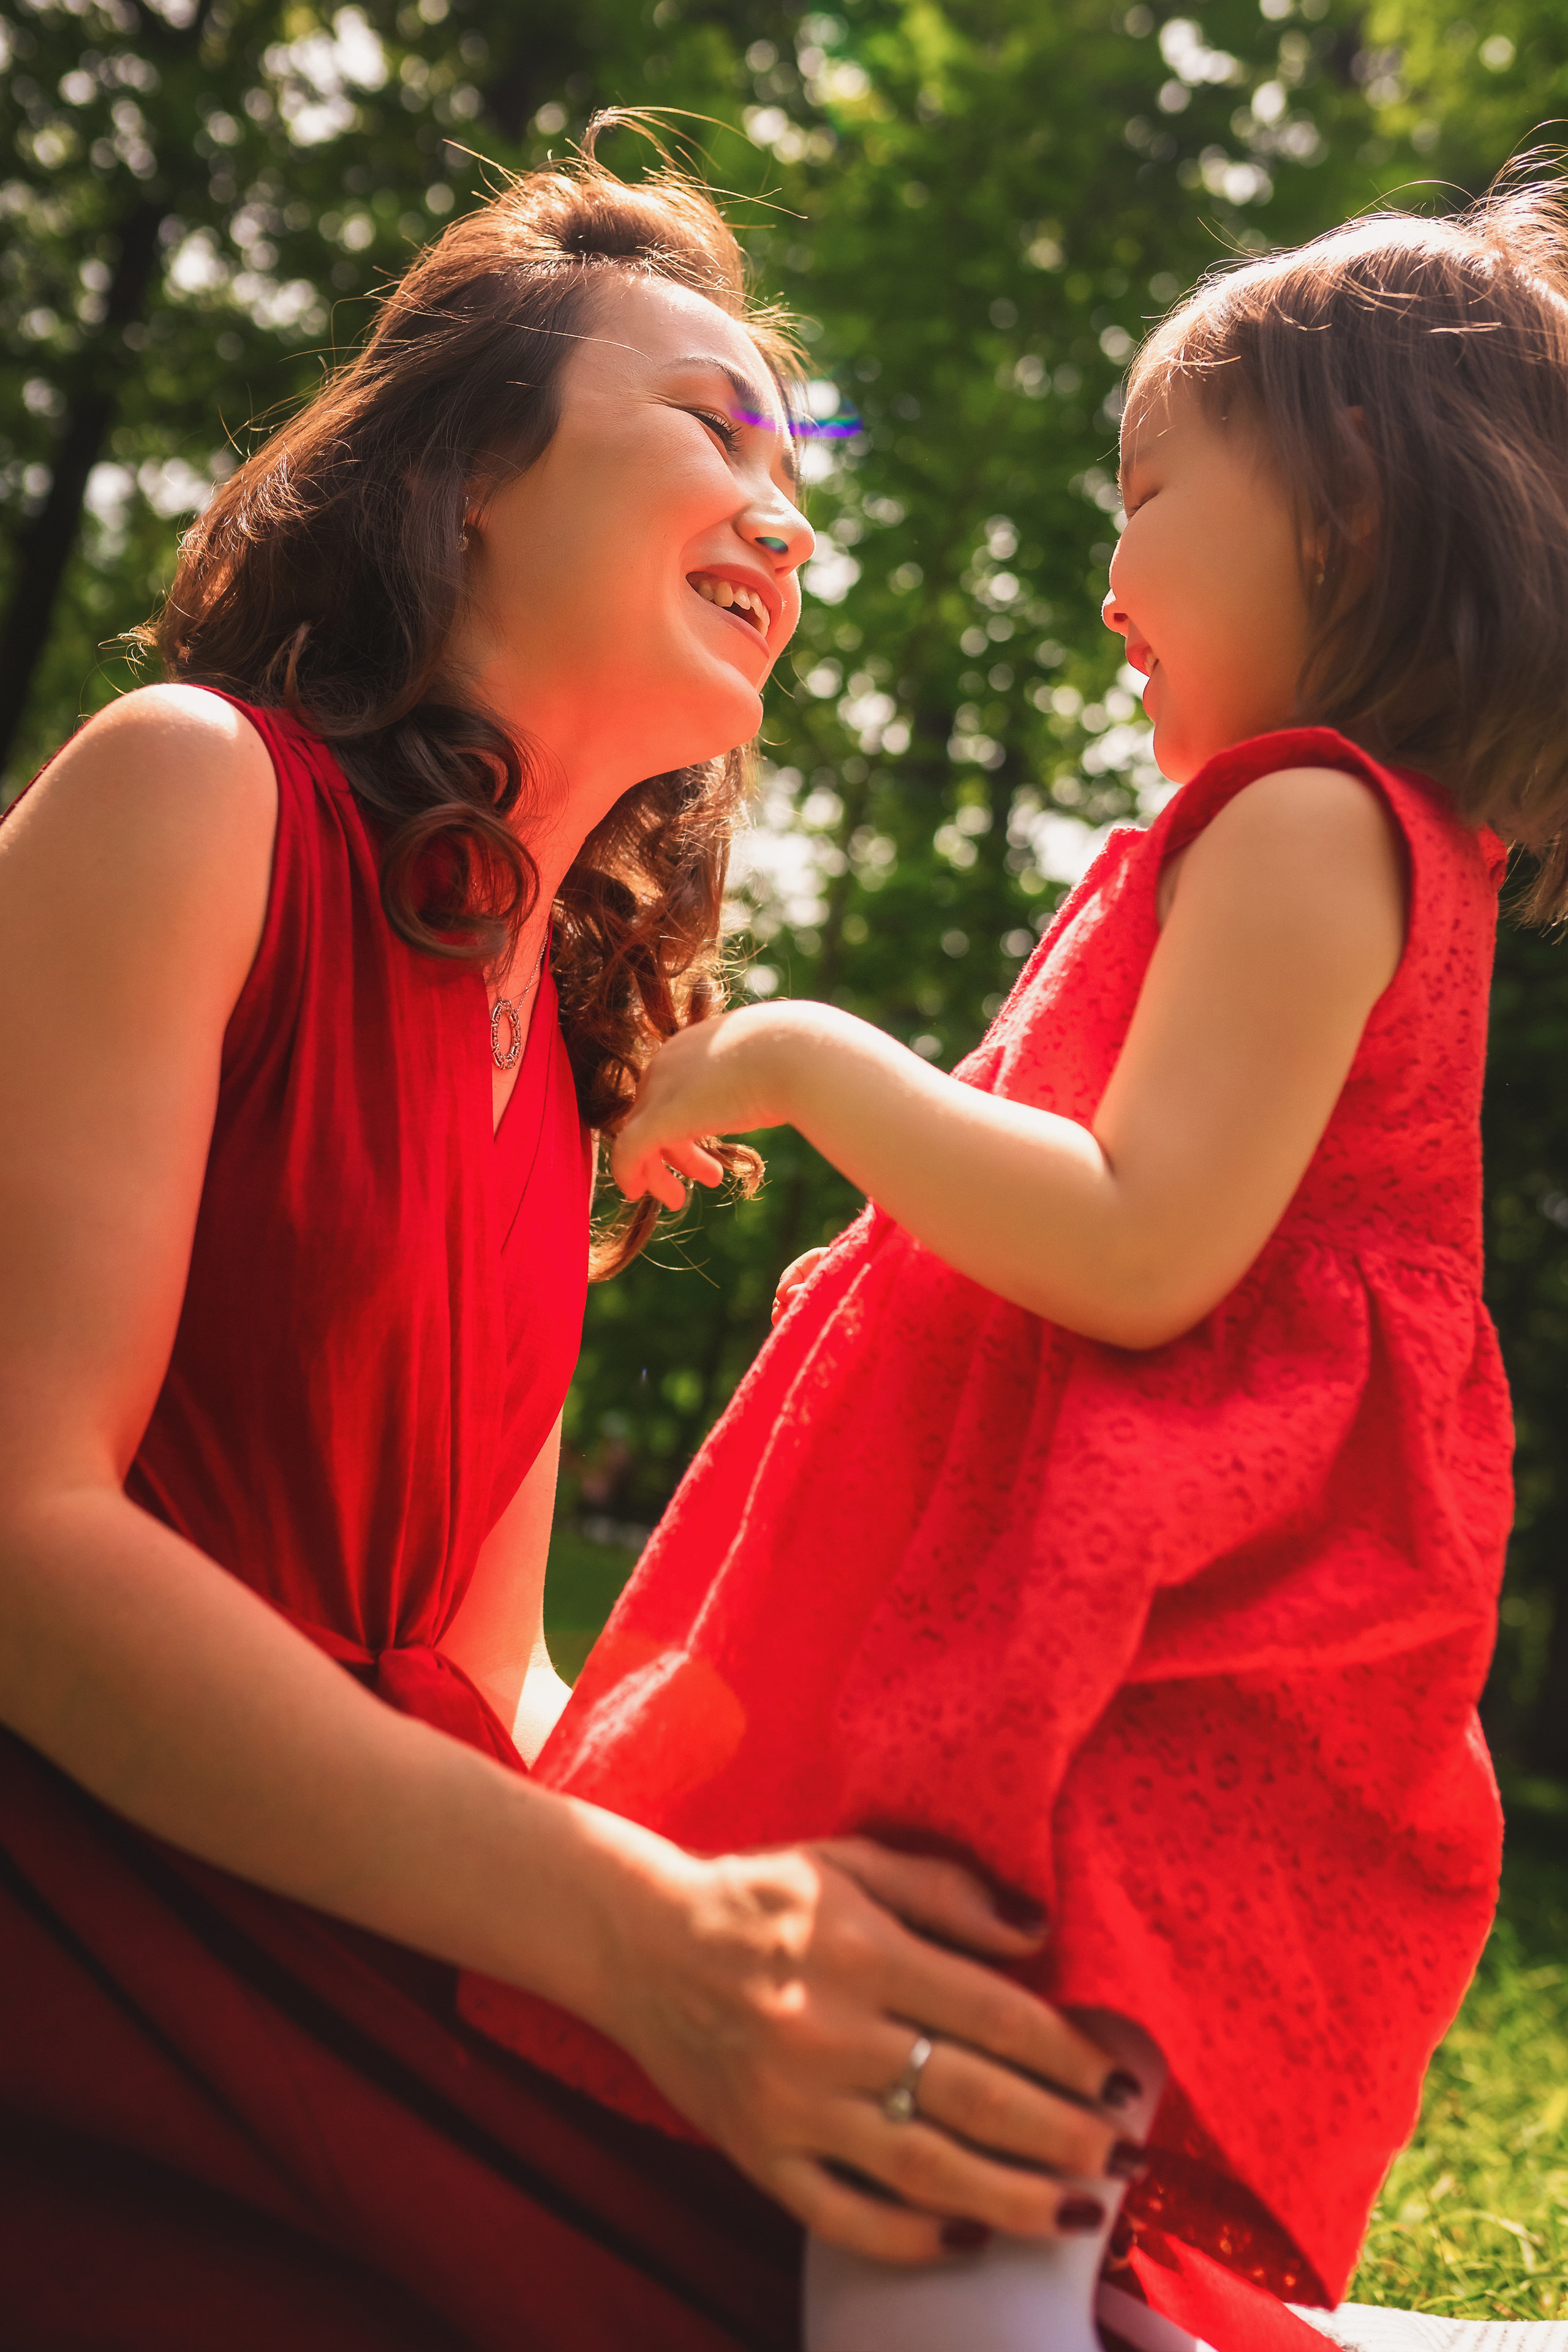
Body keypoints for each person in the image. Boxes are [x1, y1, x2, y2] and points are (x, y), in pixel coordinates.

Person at [0, 137, 1148, 2350]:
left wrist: (796, 1887)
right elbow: (24, 1538)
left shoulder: (566, 1078)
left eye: (797, 475)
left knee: (1008, 2241)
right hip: (88, 1936)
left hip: (368, 1921)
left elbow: (495, 1682)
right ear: (465, 482)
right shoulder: (191, 788)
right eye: (713, 431)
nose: (787, 519)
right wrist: (643, 1944)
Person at [465, 179, 1564, 2348]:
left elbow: (1146, 1246)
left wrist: (809, 1062)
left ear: (1345, 509)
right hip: (1121, 1628)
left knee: (943, 2165)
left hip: (1137, 1666)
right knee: (968, 2183)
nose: (1112, 574)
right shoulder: (1322, 826)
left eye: (1149, 496)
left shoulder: (1309, 819)